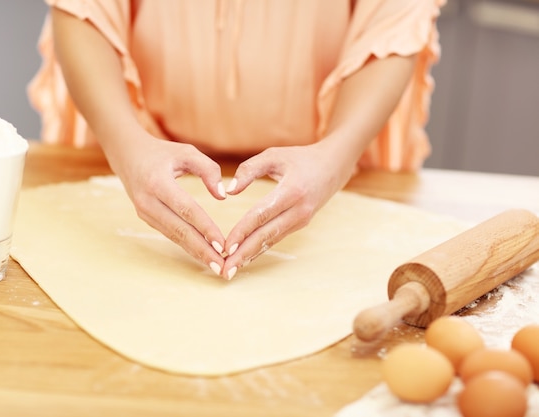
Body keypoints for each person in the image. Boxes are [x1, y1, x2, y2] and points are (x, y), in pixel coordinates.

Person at [28, 0, 445, 280]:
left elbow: (396, 17)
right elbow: (82, 8)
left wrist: (334, 157)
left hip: (335, 145)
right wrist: (126, 146)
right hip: (132, 134)